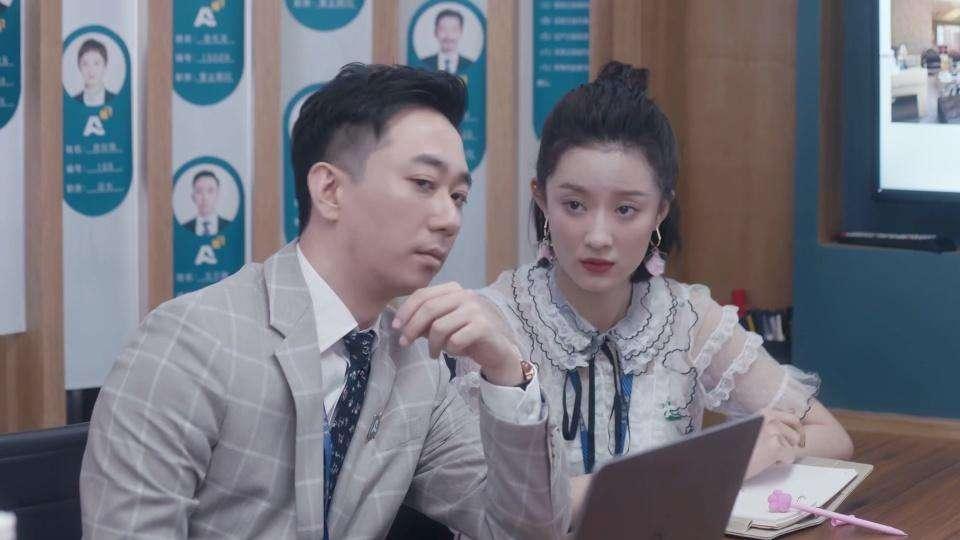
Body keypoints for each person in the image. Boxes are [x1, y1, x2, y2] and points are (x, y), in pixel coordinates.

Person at [81, 63, 570, 539]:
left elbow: (526, 529)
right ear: (330, 189)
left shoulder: (417, 366)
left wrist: (507, 371)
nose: (449, 219)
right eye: (424, 184)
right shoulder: (189, 345)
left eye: (458, 196)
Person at [454, 61, 853, 483]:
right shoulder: (495, 323)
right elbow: (489, 496)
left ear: (660, 210)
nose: (598, 236)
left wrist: (767, 446)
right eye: (574, 205)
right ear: (541, 199)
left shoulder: (688, 318)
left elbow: (832, 437)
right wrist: (713, 464)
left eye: (626, 209)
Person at [419, 9, 473, 76]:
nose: (448, 35)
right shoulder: (424, 64)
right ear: (435, 32)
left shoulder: (470, 64)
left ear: (461, 32)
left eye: (454, 30)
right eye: (443, 29)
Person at [182, 170, 232, 237]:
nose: (205, 197)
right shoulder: (184, 228)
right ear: (193, 197)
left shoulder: (229, 227)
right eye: (199, 191)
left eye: (210, 191)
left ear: (218, 194)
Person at [72, 38, 115, 107]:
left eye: (96, 63)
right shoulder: (73, 102)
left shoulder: (115, 100)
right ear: (79, 67)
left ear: (105, 66)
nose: (91, 70)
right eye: (85, 64)